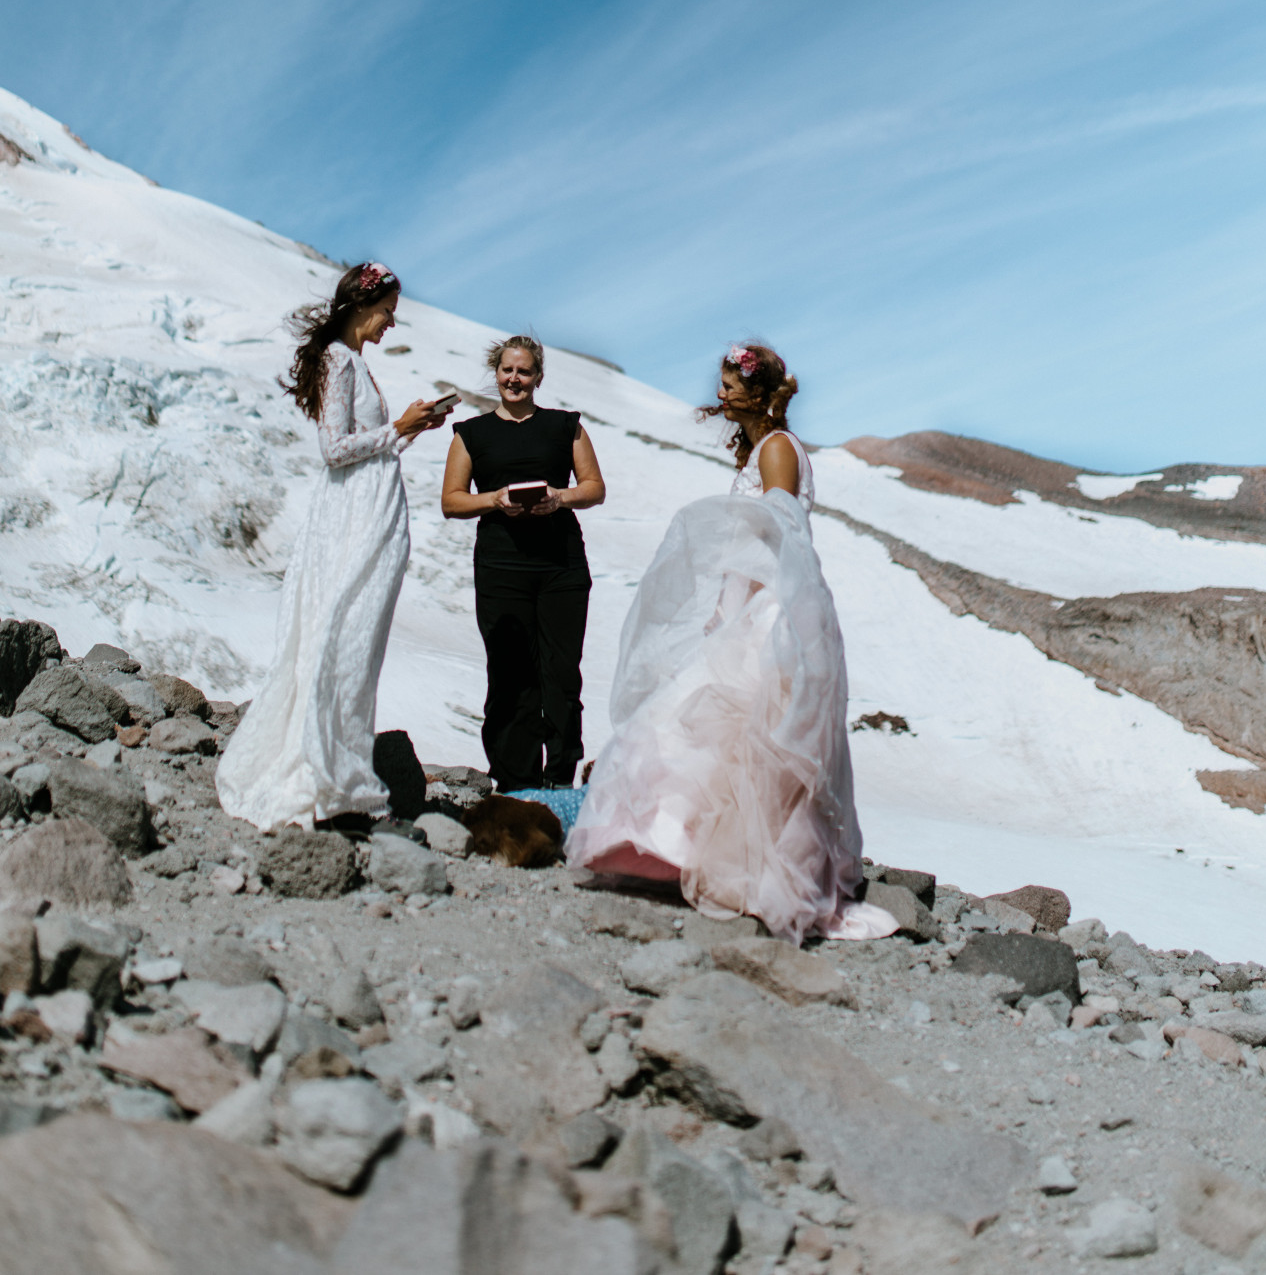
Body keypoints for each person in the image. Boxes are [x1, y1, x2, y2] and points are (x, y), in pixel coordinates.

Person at [566, 342, 896, 944]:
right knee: (715, 733)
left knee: (748, 735)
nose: (720, 395)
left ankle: (742, 865)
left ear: (758, 392)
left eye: (730, 385)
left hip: (767, 612)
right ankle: (681, 851)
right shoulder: (762, 447)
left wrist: (741, 608)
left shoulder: (775, 450)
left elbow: (781, 535)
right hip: (749, 604)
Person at [216, 263, 451, 829]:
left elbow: (363, 448)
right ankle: (322, 770)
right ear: (361, 305)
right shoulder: (337, 360)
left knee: (358, 635)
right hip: (349, 516)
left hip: (367, 506)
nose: (391, 324)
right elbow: (334, 448)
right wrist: (397, 427)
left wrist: (411, 429)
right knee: (343, 629)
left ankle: (339, 763)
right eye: (388, 313)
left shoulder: (355, 363)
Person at [441, 336, 605, 791]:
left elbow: (594, 487)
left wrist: (559, 497)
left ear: (538, 378)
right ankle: (515, 782)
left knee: (561, 674)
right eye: (507, 371)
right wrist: (494, 499)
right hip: (501, 567)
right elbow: (451, 502)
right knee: (510, 674)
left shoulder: (564, 426)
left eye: (524, 372)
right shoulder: (471, 434)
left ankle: (558, 779)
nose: (515, 379)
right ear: (496, 373)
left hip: (561, 566)